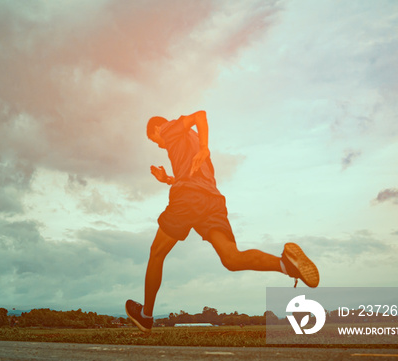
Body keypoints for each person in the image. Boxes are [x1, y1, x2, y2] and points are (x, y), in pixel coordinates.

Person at [125, 110, 319, 332]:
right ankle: (287, 266)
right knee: (231, 259)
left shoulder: (170, 128)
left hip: (188, 199)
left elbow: (200, 115)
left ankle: (146, 316)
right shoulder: (190, 139)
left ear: (157, 129)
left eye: (154, 139)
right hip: (213, 201)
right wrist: (168, 179)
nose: (159, 145)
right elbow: (192, 174)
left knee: (156, 253)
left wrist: (205, 148)